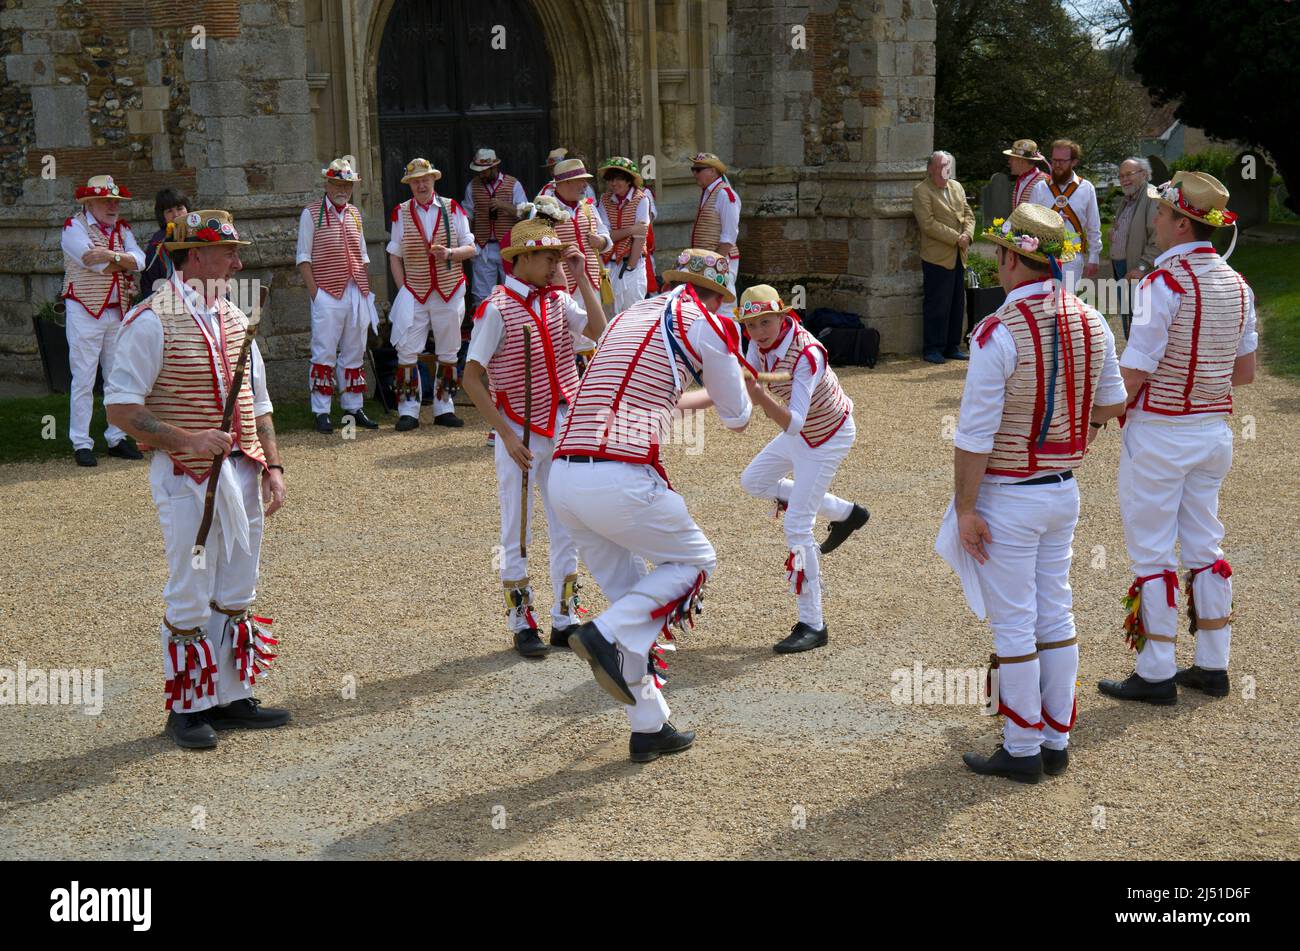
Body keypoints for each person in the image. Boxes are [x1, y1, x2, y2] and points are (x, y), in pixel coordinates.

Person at [936, 203, 1126, 783]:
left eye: (1001, 254)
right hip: (1062, 489)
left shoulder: (997, 331)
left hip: (1009, 492)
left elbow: (974, 435)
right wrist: (1076, 431)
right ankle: (1056, 739)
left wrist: (966, 508)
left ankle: (1021, 749)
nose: (997, 263)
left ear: (1013, 260)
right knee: (1056, 610)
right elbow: (1113, 404)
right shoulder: (1092, 320)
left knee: (1016, 622)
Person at [548, 249, 752, 763]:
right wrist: (735, 386)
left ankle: (649, 725)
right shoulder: (706, 323)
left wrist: (705, 389)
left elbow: (656, 396)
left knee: (634, 596)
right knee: (695, 561)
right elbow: (739, 419)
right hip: (619, 476)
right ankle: (602, 634)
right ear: (717, 296)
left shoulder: (629, 317)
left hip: (566, 476)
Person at [103, 209, 291, 750]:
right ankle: (187, 708)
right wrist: (188, 440)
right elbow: (120, 408)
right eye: (228, 253)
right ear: (195, 257)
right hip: (185, 475)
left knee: (237, 583)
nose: (238, 262)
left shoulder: (236, 317)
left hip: (243, 469)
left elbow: (261, 403)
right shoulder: (150, 319)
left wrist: (272, 465)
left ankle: (232, 695)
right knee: (191, 587)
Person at [1098, 171, 1256, 706]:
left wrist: (1097, 416)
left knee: (1151, 551)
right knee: (1206, 545)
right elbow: (1245, 371)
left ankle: (1156, 670)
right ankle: (1213, 663)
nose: (1157, 224)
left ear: (1183, 223)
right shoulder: (1238, 284)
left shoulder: (1162, 284)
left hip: (1162, 431)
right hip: (1212, 431)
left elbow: (1136, 370)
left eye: (1163, 215)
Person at [461, 200, 607, 657]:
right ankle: (521, 619)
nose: (554, 265)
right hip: (519, 431)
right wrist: (504, 434)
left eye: (558, 259)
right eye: (549, 258)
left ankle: (566, 617)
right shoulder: (496, 309)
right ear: (522, 258)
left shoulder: (561, 299)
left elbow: (601, 334)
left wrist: (582, 278)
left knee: (568, 519)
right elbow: (470, 375)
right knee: (517, 526)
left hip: (563, 424)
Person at [735, 285, 869, 653]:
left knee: (797, 524)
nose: (760, 332)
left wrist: (757, 395)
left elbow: (793, 423)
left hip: (828, 434)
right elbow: (750, 391)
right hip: (802, 432)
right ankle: (847, 513)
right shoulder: (754, 346)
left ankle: (814, 624)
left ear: (783, 316)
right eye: (751, 325)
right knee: (754, 481)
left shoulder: (808, 353)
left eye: (766, 322)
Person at [61, 174, 146, 467]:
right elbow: (92, 262)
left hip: (116, 310)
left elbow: (141, 260)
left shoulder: (122, 230)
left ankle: (117, 438)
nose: (113, 207)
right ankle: (81, 442)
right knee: (83, 377)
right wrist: (121, 261)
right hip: (84, 309)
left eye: (116, 202)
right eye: (106, 201)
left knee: (116, 377)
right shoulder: (74, 226)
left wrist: (111, 254)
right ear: (90, 203)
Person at [387, 157, 477, 431]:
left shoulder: (453, 208)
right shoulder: (400, 212)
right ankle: (408, 411)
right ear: (410, 185)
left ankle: (444, 407)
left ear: (434, 180)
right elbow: (394, 255)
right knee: (407, 350)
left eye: (425, 179)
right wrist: (404, 290)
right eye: (416, 181)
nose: (421, 184)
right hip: (416, 291)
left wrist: (450, 254)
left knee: (449, 350)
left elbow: (470, 248)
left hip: (449, 290)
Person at [297, 158, 381, 434]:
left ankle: (353, 408)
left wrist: (364, 286)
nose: (341, 188)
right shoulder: (311, 213)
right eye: (336, 183)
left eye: (346, 184)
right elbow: (303, 258)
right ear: (327, 184)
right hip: (327, 293)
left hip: (356, 289)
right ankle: (321, 410)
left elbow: (363, 255)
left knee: (355, 349)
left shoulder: (355, 213)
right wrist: (316, 295)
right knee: (324, 350)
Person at [546, 158, 613, 365]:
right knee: (564, 332)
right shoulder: (545, 208)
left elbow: (606, 239)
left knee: (592, 331)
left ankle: (589, 376)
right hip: (561, 282)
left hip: (589, 279)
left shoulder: (588, 208)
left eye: (585, 180)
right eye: (580, 180)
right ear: (564, 183)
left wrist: (600, 241)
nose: (585, 185)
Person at [912, 149, 976, 363]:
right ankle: (932, 347)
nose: (944, 171)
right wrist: (957, 238)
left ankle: (952, 345)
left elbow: (968, 214)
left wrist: (967, 234)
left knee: (957, 303)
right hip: (936, 256)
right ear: (930, 169)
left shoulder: (956, 186)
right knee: (937, 303)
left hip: (959, 254)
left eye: (947, 166)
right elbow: (928, 224)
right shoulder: (922, 191)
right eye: (940, 166)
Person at [463, 148, 527, 310]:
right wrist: (469, 242)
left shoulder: (513, 184)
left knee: (515, 289)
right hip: (483, 247)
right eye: (479, 171)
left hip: (510, 246)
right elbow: (468, 216)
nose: (482, 175)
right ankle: (485, 329)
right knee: (482, 294)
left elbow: (525, 212)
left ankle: (516, 326)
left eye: (484, 171)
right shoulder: (473, 186)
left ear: (494, 167)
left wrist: (503, 206)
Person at [1038, 139, 1102, 289]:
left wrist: (1094, 257)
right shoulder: (1040, 188)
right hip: (1041, 259)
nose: (1057, 165)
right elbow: (1029, 221)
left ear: (1074, 162)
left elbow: (1094, 225)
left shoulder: (1086, 188)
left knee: (1066, 306)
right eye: (1054, 160)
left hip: (1072, 259)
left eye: (1062, 161)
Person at [1109, 157, 1161, 338]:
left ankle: (1139, 363)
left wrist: (1142, 267)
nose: (1124, 179)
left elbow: (1158, 238)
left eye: (1129, 174)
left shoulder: (1151, 197)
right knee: (1129, 318)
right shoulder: (1128, 198)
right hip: (1123, 268)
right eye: (1121, 175)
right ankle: (1132, 360)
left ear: (1144, 174)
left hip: (1139, 270)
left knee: (1140, 323)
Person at [688, 152, 741, 319]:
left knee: (725, 308)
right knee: (708, 310)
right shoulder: (708, 192)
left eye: (699, 169)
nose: (694, 173)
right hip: (707, 261)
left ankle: (733, 343)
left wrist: (714, 264)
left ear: (713, 171)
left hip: (720, 260)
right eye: (693, 169)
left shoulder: (725, 194)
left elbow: (729, 237)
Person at [596, 156, 651, 314]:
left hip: (631, 265)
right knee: (609, 314)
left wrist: (631, 267)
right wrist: (632, 230)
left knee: (633, 314)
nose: (614, 183)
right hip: (609, 265)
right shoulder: (605, 199)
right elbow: (605, 234)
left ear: (629, 180)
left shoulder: (641, 199)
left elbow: (640, 239)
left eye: (619, 178)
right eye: (611, 179)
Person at [138, 187, 191, 303]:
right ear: (162, 216)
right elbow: (150, 282)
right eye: (169, 211)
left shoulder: (202, 235)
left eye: (180, 208)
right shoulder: (157, 244)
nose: (176, 215)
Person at [1003, 139, 1052, 208]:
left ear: (1021, 161)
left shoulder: (1045, 181)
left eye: (1012, 158)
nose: (1009, 161)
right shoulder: (1021, 180)